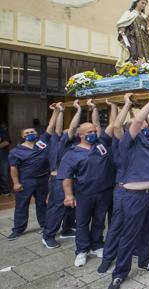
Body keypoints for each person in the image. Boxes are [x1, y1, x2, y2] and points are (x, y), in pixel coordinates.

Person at [108, 91, 149, 289]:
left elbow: (143, 121)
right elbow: (129, 123)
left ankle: (144, 260)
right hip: (135, 196)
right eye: (141, 126)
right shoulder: (127, 143)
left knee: (148, 231)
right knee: (129, 234)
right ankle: (120, 273)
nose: (145, 126)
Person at [57, 100, 116, 267]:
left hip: (104, 192)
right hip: (84, 194)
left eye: (94, 130)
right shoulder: (72, 153)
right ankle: (82, 250)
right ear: (81, 135)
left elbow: (112, 125)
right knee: (82, 223)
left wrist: (113, 106)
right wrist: (68, 195)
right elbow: (66, 176)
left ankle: (97, 244)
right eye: (89, 131)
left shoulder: (101, 144)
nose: (93, 133)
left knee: (99, 221)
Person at [7, 106, 58, 240]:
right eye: (27, 132)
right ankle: (18, 229)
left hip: (42, 180)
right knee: (21, 205)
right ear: (23, 136)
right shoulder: (16, 151)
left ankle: (44, 225)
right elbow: (13, 168)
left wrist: (56, 111)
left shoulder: (41, 142)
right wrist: (16, 183)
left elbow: (51, 126)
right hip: (26, 181)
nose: (30, 133)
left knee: (42, 204)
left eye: (32, 131)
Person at [97, 94, 132, 274]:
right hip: (120, 189)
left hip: (133, 192)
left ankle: (129, 251)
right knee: (116, 224)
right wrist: (120, 105)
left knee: (129, 225)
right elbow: (115, 125)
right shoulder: (120, 141)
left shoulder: (139, 144)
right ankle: (108, 257)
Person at [42, 102, 77, 248]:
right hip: (59, 179)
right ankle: (48, 235)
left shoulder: (74, 143)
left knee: (70, 207)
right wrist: (61, 111)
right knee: (57, 208)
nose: (70, 131)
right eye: (66, 130)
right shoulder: (57, 141)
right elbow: (56, 127)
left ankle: (67, 229)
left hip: (71, 179)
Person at [115, 0, 149, 67]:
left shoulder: (144, 16)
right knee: (133, 51)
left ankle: (144, 66)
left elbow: (148, 28)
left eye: (145, 4)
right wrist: (122, 29)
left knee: (145, 54)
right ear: (136, 3)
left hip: (143, 39)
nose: (144, 5)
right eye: (142, 3)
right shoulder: (130, 13)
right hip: (132, 37)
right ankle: (132, 65)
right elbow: (122, 22)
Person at [0, 121, 11, 196]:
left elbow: (7, 142)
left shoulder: (2, 131)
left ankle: (5, 191)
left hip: (2, 155)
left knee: (4, 173)